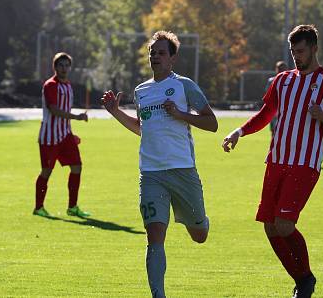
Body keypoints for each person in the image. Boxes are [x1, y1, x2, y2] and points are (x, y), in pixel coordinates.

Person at [222, 24, 323, 298]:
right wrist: (239, 132)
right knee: (270, 227)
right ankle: (303, 280)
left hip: (305, 164)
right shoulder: (283, 80)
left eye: (301, 51)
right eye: (293, 51)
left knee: (284, 225)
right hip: (277, 161)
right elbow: (267, 113)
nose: (296, 56)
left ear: (314, 49)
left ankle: (305, 280)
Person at [101, 31, 218, 298]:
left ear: (172, 58)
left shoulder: (184, 86)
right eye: (152, 52)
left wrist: (180, 114)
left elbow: (212, 123)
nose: (155, 57)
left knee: (199, 234)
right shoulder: (141, 91)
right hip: (151, 173)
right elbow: (143, 128)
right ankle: (158, 295)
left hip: (182, 170)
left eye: (161, 52)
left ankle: (202, 221)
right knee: (154, 235)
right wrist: (116, 112)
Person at [33, 52, 91, 219]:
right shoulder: (51, 85)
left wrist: (71, 133)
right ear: (55, 67)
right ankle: (39, 207)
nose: (64, 68)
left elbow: (63, 112)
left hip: (65, 135)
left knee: (77, 167)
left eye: (67, 65)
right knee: (46, 171)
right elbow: (54, 110)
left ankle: (72, 207)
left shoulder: (68, 85)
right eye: (61, 65)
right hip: (49, 137)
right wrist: (77, 117)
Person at [265, 60, 289, 135]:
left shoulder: (291, 80)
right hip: (275, 109)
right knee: (274, 132)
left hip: (286, 109)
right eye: (280, 68)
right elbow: (268, 95)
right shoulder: (271, 81)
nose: (281, 70)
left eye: (283, 69)